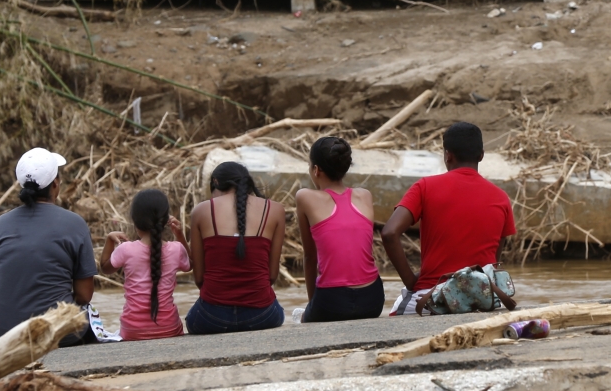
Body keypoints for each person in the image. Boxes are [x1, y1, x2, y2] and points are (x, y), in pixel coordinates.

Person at [382, 122, 516, 315]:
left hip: (433, 295)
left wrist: (411, 282)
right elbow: (492, 262)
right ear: (481, 155)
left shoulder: (424, 187)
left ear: (447, 155)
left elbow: (389, 233)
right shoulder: (501, 197)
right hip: (481, 299)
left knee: (395, 316)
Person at [0, 148, 96, 345]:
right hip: (57, 334)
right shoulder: (74, 224)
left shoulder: (0, 224)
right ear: (56, 184)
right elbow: (84, 295)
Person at [185, 161, 285, 333]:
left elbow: (199, 279)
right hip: (263, 316)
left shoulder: (200, 211)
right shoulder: (275, 210)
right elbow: (272, 276)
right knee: (280, 312)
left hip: (211, 318)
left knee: (191, 319)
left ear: (215, 182)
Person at [293, 137, 384, 323]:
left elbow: (310, 257)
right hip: (373, 300)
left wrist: (313, 305)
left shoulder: (304, 197)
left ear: (316, 170)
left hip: (331, 303)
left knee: (298, 316)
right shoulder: (364, 196)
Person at [100, 189, 192, 341]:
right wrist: (180, 235)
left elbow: (105, 268)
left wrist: (109, 240)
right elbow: (190, 265)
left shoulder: (126, 249)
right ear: (165, 221)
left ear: (135, 221)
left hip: (132, 331)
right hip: (170, 328)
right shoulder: (176, 249)